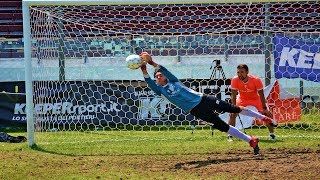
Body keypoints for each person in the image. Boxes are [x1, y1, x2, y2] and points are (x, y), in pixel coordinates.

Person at [139, 52, 277, 155]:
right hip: (196, 111)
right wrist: (143, 68)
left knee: (233, 108)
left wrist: (151, 63)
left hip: (204, 99)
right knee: (222, 127)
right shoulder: (160, 91)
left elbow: (164, 70)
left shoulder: (174, 80)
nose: (158, 76)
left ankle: (264, 118)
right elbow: (148, 81)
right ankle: (251, 141)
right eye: (156, 76)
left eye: (160, 75)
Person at [227, 64, 277, 142]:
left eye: (242, 72)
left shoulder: (256, 80)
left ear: (247, 72)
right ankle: (230, 135)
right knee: (232, 114)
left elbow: (261, 95)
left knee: (266, 114)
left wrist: (264, 108)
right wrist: (233, 108)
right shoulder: (235, 80)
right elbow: (233, 96)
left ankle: (272, 134)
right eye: (238, 72)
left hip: (255, 99)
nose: (240, 74)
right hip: (242, 99)